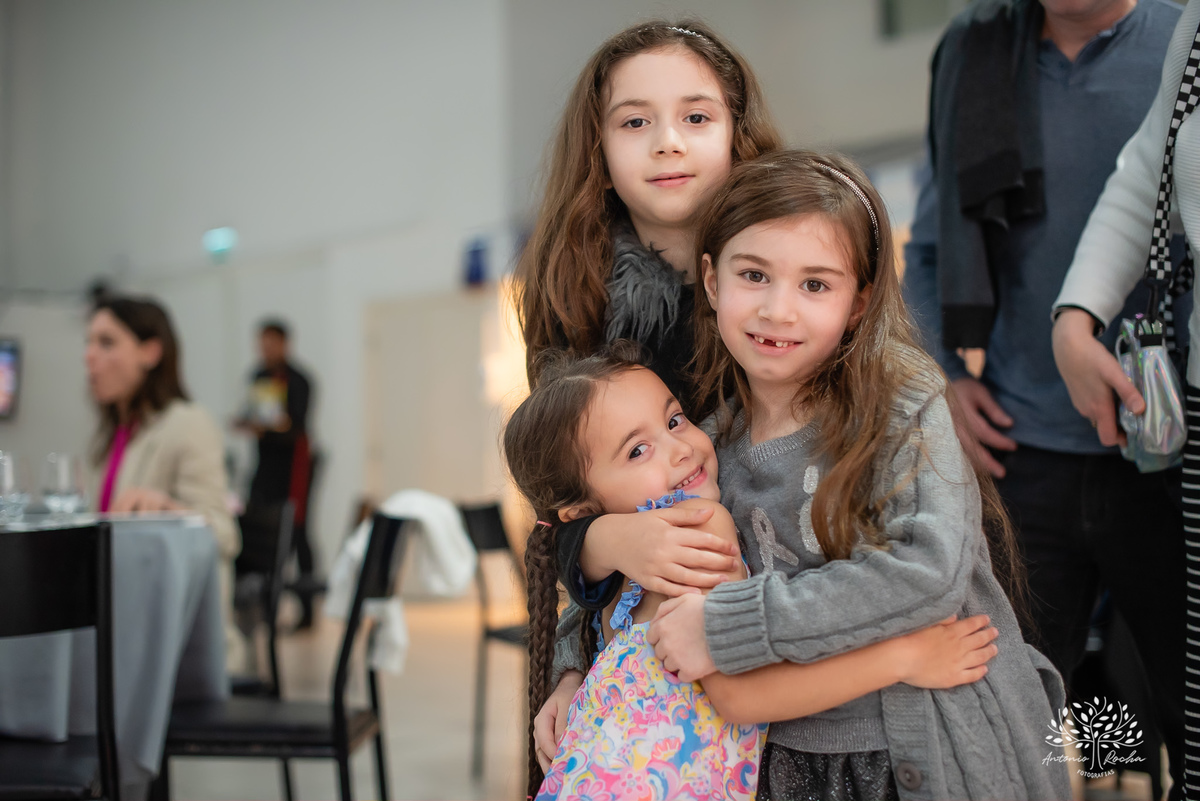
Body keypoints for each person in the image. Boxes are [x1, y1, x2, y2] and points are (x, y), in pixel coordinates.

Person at [617, 150, 1068, 799]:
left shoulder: (902, 400)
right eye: (754, 275)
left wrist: (728, 625)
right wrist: (572, 663)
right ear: (712, 281)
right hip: (788, 762)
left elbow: (927, 571)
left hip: (938, 747)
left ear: (859, 302)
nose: (778, 310)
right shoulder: (703, 446)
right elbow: (644, 568)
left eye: (816, 285)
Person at [506, 345, 1000, 800]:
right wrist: (904, 659)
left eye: (674, 420)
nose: (680, 449)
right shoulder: (697, 527)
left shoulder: (616, 572)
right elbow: (743, 698)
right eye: (638, 450)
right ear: (583, 512)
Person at [901, 0, 1184, 793]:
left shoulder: (1180, 42)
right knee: (1003, 726)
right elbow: (928, 251)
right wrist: (945, 380)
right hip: (1021, 454)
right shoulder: (974, 52)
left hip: (1170, 448)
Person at [514, 19, 782, 743]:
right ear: (598, 153)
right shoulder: (574, 299)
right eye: (635, 121)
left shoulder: (791, 282)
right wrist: (579, 650)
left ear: (738, 135)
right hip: (651, 671)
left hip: (796, 638)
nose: (668, 141)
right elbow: (561, 515)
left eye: (696, 117)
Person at [1051, 1, 1199, 795]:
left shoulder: (1159, 29)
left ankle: (1124, 771)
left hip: (1133, 444)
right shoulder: (1195, 30)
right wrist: (1076, 316)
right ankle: (1115, 773)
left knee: (1147, 660)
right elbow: (1150, 169)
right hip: (1147, 414)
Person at [84, 295, 244, 671]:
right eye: (88, 342)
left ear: (150, 352)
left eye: (106, 342)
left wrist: (167, 508)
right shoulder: (116, 435)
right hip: (126, 627)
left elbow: (223, 534)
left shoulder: (187, 423)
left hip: (173, 648)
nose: (89, 356)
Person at [235, 318, 317, 628]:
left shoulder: (300, 380)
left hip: (294, 466)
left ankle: (307, 610)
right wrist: (249, 424)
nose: (265, 350)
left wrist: (270, 427)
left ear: (284, 344)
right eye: (262, 344)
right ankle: (264, 607)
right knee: (259, 530)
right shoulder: (258, 376)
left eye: (271, 343)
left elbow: (296, 425)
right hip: (265, 466)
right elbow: (255, 414)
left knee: (298, 532)